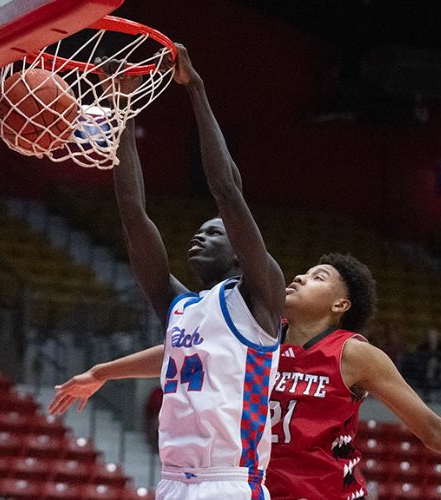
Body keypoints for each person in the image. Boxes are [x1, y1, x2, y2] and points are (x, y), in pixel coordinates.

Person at [49, 44, 285, 500]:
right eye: (198, 232)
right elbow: (133, 211)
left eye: (213, 233)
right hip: (173, 482)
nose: (198, 238)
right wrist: (123, 108)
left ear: (239, 251)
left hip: (230, 483)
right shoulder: (179, 307)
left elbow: (226, 190)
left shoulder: (259, 300)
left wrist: (195, 89)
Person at [267, 253, 441, 499]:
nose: (300, 277)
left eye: (318, 277)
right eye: (304, 273)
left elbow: (433, 429)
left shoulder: (352, 354)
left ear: (340, 305)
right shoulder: (258, 340)